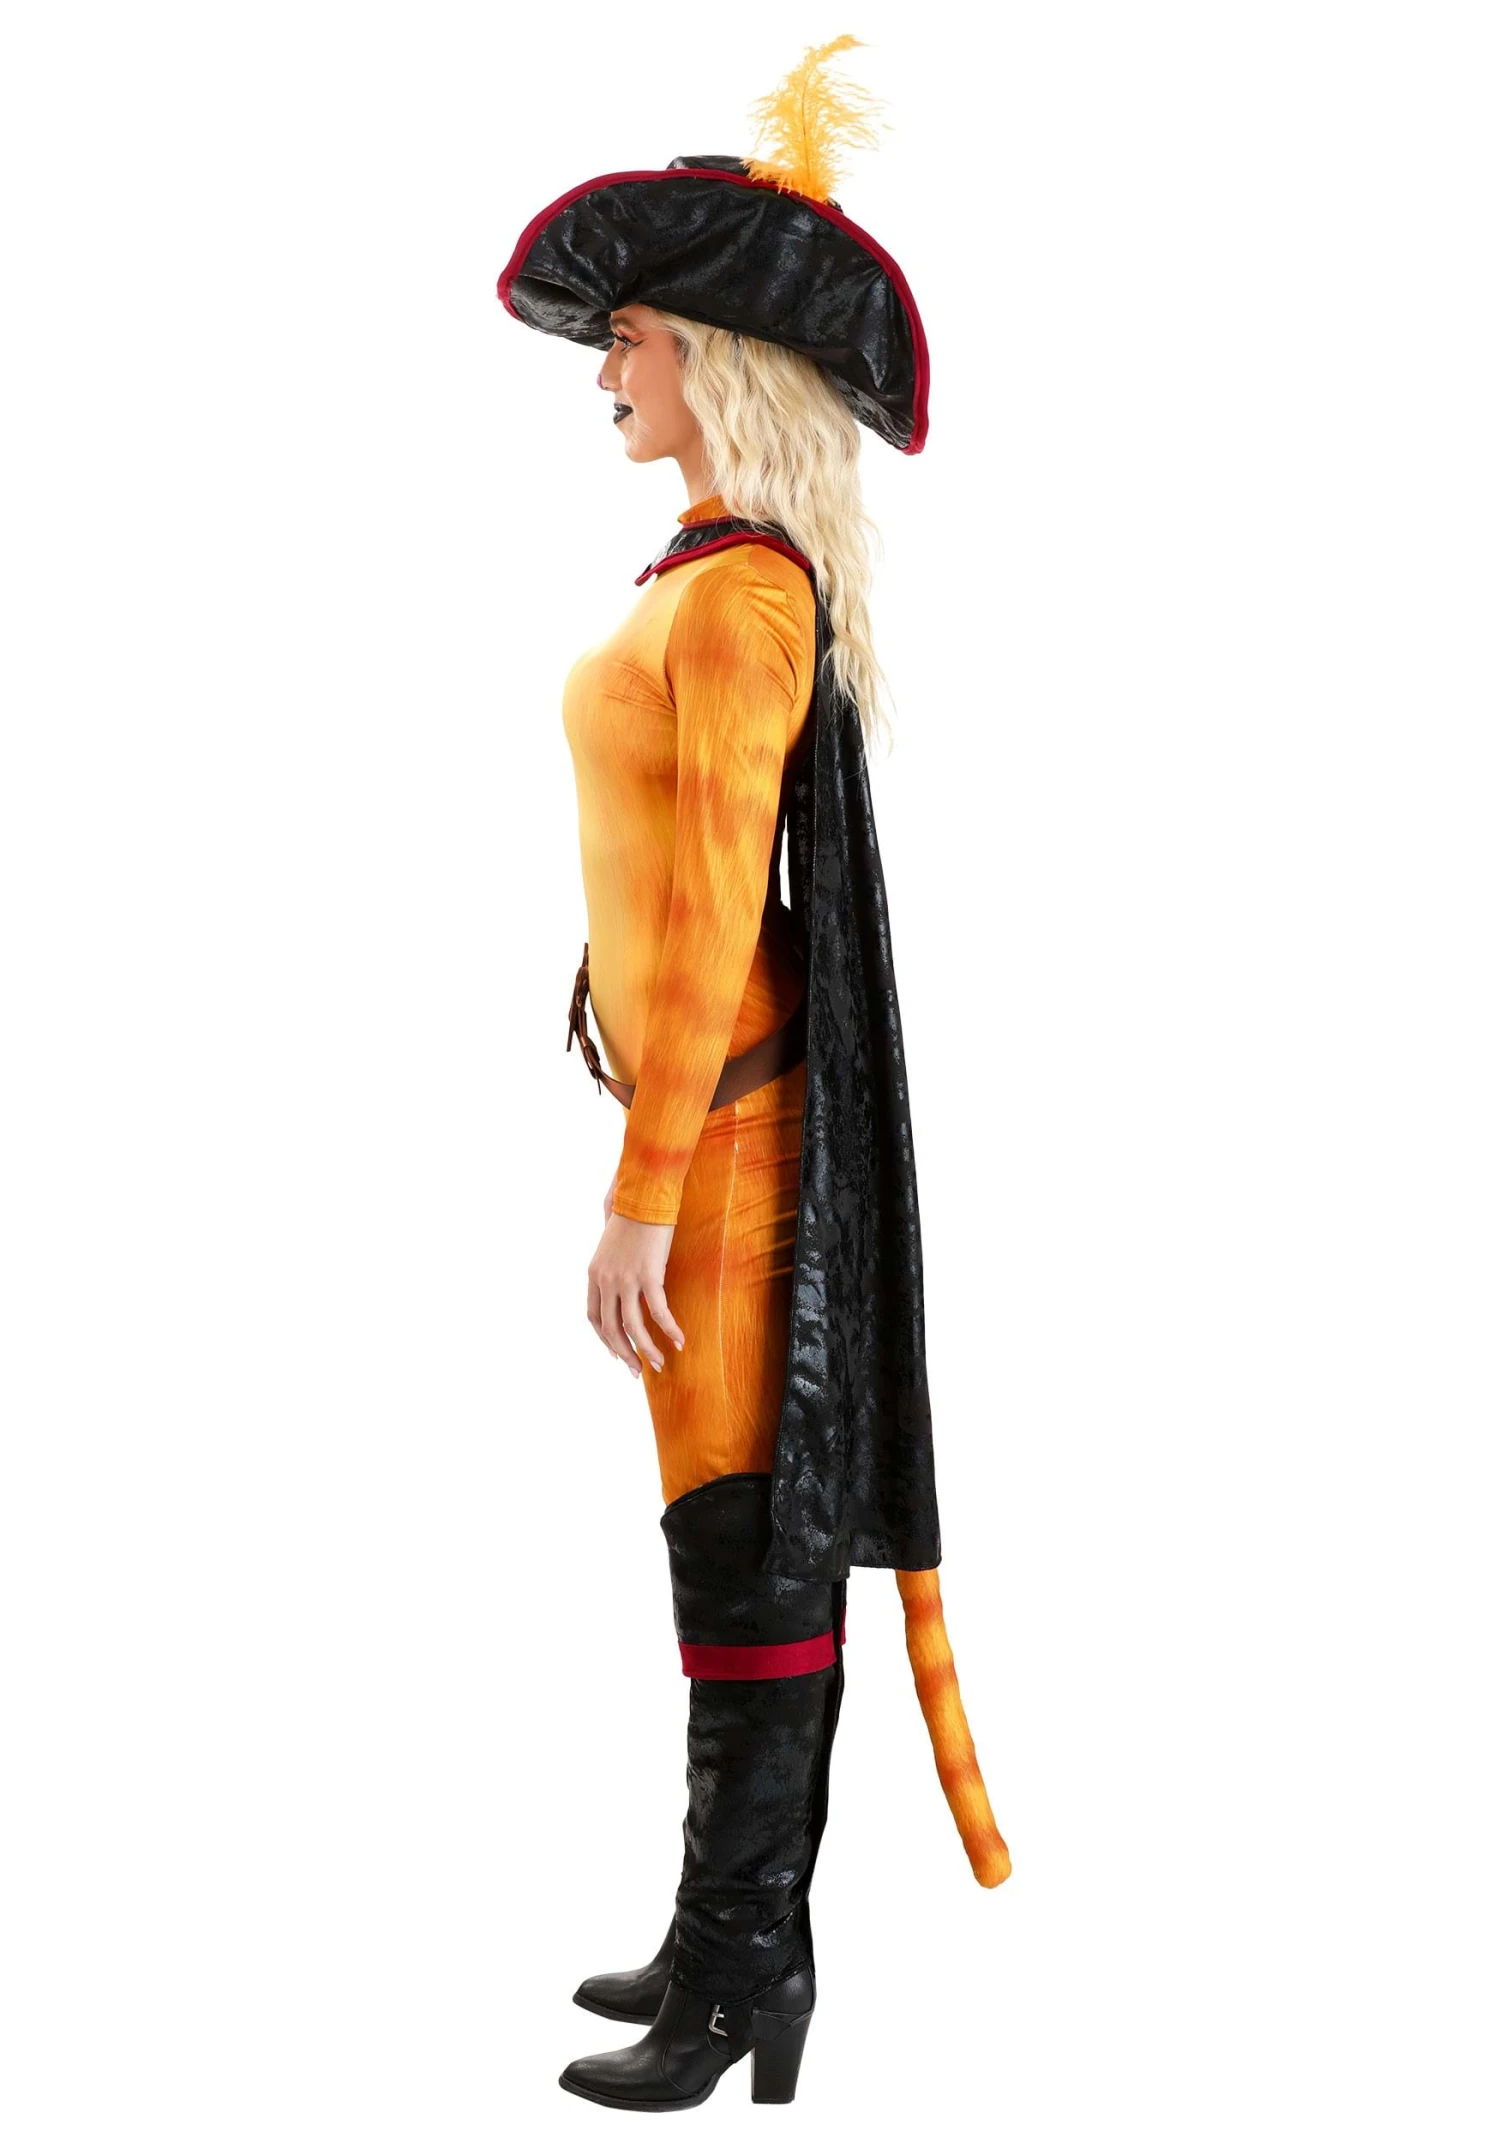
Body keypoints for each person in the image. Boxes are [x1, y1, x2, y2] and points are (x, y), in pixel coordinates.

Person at [497, 36, 1009, 2114]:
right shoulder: (707, 579)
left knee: (747, 1538)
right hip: (705, 1116)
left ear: (711, 356)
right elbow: (666, 872)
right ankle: (733, 1938)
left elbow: (716, 911)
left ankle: (745, 1971)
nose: (604, 368)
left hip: (723, 1143)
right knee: (725, 1540)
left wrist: (641, 1193)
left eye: (628, 338)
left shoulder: (735, 607)